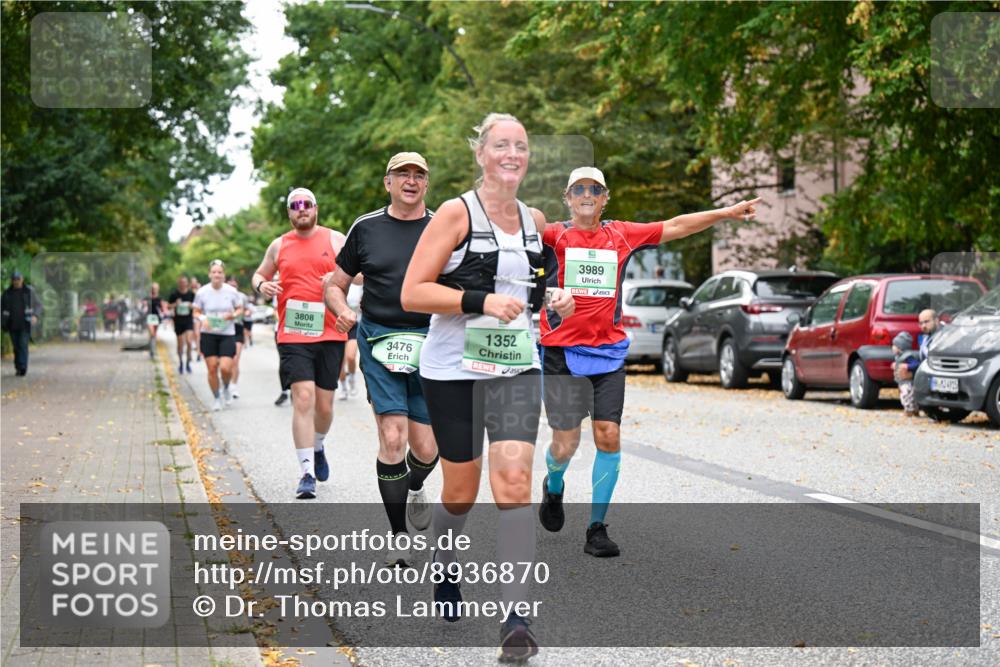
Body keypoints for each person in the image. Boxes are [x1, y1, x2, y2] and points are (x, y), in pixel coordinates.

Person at [400, 114, 575, 661]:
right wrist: (479, 302)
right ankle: (446, 562)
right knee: (461, 492)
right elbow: (413, 293)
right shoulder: (455, 212)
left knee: (515, 480)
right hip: (452, 369)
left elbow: (534, 288)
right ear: (481, 153)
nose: (512, 153)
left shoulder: (534, 219)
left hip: (515, 365)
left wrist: (556, 300)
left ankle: (515, 618)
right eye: (501, 144)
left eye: (521, 146)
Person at [537, 166, 760, 557]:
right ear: (568, 197)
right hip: (560, 352)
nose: (587, 194)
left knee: (608, 435)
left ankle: (596, 528)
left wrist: (725, 213)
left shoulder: (620, 235)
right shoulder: (553, 235)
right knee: (565, 445)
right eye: (579, 189)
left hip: (607, 354)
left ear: (606, 198)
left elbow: (676, 225)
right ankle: (553, 488)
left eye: (595, 189)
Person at [324, 151, 442, 567]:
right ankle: (398, 537)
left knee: (427, 449)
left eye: (418, 175)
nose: (410, 181)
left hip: (432, 343)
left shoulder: (442, 229)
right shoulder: (366, 227)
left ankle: (414, 486)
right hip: (378, 340)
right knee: (393, 438)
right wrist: (340, 309)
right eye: (401, 174)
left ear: (427, 184)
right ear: (387, 182)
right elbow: (334, 284)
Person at [253, 187, 348, 500]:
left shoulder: (336, 239)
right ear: (289, 212)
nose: (301, 209)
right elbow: (258, 275)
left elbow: (360, 274)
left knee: (324, 405)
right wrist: (262, 285)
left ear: (316, 208)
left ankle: (318, 445)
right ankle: (306, 472)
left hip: (331, 332)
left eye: (307, 203)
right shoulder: (279, 244)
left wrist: (336, 276)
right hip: (294, 334)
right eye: (295, 205)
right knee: (303, 398)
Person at [193, 260, 243, 411]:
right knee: (212, 368)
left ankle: (226, 387)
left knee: (226, 368)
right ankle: (216, 398)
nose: (217, 275)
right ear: (209, 274)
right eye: (214, 272)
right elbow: (196, 311)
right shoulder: (202, 292)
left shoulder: (231, 291)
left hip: (227, 334)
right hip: (208, 335)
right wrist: (203, 319)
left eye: (219, 272)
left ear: (223, 275)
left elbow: (240, 308)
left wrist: (232, 315)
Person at [2, 270, 42, 376]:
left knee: (23, 345)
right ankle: (18, 367)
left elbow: (38, 305)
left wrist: (35, 316)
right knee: (16, 347)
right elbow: (2, 308)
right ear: (12, 281)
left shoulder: (29, 291)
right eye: (14, 279)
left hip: (25, 323)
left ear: (22, 279)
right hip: (12, 325)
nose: (16, 281)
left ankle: (23, 367)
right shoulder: (7, 293)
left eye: (18, 279)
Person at [338, 278, 363, 401]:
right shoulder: (338, 282)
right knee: (340, 362)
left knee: (351, 356)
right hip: (339, 324)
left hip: (355, 324)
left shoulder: (359, 283)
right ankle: (343, 387)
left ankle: (352, 378)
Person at [168, 276, 196, 373]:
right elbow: (168, 306)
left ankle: (188, 362)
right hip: (178, 321)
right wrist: (175, 304)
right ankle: (181, 363)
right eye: (181, 282)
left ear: (187, 283)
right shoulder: (174, 294)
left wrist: (191, 306)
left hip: (188, 320)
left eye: (184, 282)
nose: (183, 284)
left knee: (188, 342)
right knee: (180, 344)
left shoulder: (191, 294)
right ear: (178, 284)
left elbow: (197, 306)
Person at [226, 277, 248, 398]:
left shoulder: (242, 297)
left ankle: (233, 386)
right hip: (225, 330)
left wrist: (246, 312)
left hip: (238, 329)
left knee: (235, 360)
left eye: (235, 286)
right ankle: (226, 383)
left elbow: (248, 309)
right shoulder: (222, 296)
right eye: (231, 286)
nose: (233, 288)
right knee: (226, 362)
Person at [892, 331, 920, 416]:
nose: (892, 348)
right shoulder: (898, 357)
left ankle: (909, 410)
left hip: (907, 381)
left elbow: (916, 364)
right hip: (901, 381)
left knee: (907, 395)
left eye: (894, 346)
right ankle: (914, 410)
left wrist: (908, 366)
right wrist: (894, 365)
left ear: (900, 347)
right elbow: (899, 364)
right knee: (907, 394)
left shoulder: (908, 356)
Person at [144, 284, 167, 357]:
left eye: (156, 288)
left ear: (158, 289)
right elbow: (144, 305)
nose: (154, 290)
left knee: (154, 334)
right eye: (153, 288)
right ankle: (152, 350)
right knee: (152, 333)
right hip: (149, 317)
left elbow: (163, 309)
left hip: (156, 317)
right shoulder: (148, 298)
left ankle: (152, 348)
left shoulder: (160, 299)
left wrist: (164, 312)